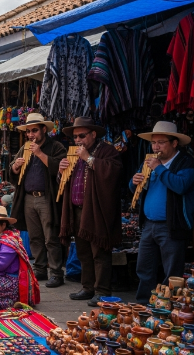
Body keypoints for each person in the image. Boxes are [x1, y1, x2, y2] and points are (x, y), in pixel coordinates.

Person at [57, 117, 123, 307]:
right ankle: (87, 287)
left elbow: (114, 172)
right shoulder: (74, 154)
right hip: (77, 210)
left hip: (96, 209)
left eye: (82, 136)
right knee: (83, 252)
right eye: (75, 137)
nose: (77, 140)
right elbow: (67, 182)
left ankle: (102, 291)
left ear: (93, 134)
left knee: (99, 252)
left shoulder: (107, 151)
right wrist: (61, 173)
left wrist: (89, 159)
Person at [129, 121, 194, 305]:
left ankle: (167, 307)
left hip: (172, 226)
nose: (156, 147)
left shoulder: (186, 163)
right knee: (144, 268)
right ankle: (143, 305)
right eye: (153, 142)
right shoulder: (149, 162)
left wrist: (158, 167)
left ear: (174, 143)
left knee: (172, 271)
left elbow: (180, 186)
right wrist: (133, 182)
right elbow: (135, 188)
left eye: (161, 142)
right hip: (149, 224)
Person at [10, 113, 66, 288]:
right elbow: (12, 174)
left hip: (46, 198)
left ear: (43, 129)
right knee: (34, 237)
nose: (31, 135)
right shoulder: (24, 148)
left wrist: (40, 154)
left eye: (34, 130)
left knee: (51, 237)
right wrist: (15, 167)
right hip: (28, 198)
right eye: (28, 131)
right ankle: (40, 268)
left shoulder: (56, 146)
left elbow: (60, 169)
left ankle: (56, 272)